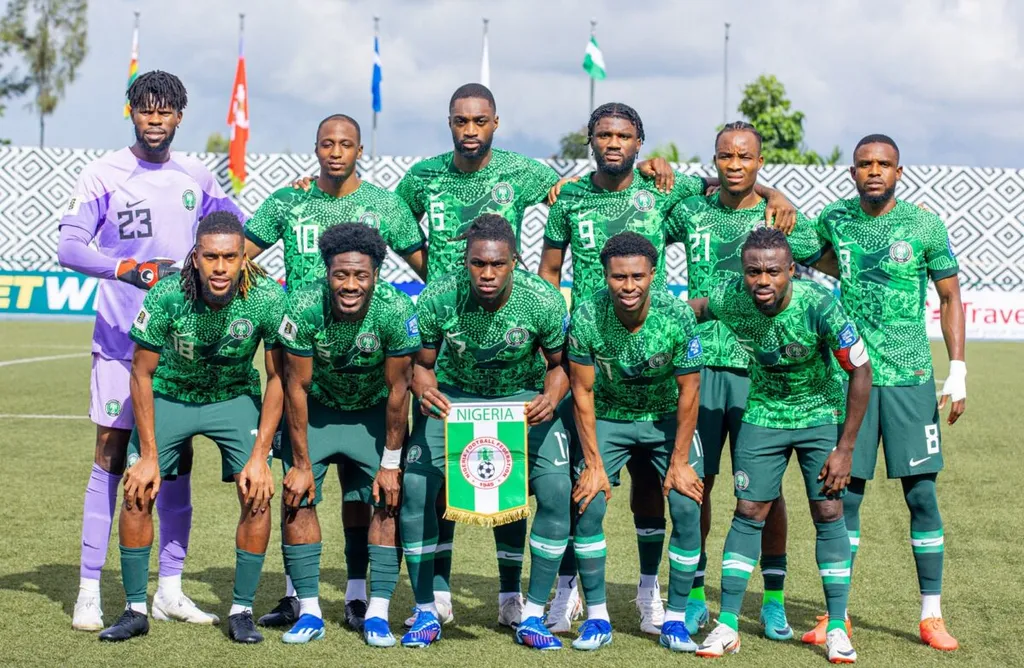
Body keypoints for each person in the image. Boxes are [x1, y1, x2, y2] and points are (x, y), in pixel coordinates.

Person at [539, 103, 798, 635]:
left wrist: (775, 194)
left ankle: (672, 592)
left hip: (692, 369)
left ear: (640, 141)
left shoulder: (666, 192)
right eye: (604, 135)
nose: (613, 143)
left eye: (624, 135)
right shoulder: (570, 198)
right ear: (590, 139)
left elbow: (729, 183)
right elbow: (549, 273)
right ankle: (571, 591)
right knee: (582, 486)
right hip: (596, 361)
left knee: (729, 487)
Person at [57, 70, 243, 631]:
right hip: (121, 343)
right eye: (145, 110)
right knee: (111, 455)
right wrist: (127, 268)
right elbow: (69, 246)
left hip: (182, 352)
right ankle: (89, 589)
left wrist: (302, 195)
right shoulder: (103, 174)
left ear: (179, 116)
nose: (155, 120)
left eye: (165, 111)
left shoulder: (197, 176)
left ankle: (171, 589)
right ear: (132, 113)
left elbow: (243, 232)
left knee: (175, 463)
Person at [245, 114, 425, 632]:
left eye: (346, 144)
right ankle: (296, 598)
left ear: (359, 150)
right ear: (316, 147)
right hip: (307, 346)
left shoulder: (386, 207)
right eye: (328, 143)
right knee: (298, 487)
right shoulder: (290, 200)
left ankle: (359, 597)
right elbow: (240, 258)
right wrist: (271, 303)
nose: (337, 151)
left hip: (367, 369)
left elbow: (429, 268)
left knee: (362, 497)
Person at [664, 121, 831, 639]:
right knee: (696, 485)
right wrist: (660, 169)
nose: (734, 165)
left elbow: (829, 257)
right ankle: (694, 595)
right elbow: (645, 208)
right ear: (714, 160)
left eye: (744, 157)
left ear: (760, 162)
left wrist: (776, 195)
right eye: (725, 156)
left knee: (766, 491)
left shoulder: (780, 216)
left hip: (762, 375)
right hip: (698, 366)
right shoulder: (691, 210)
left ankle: (774, 599)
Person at [802, 134, 965, 651]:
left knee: (921, 496)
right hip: (850, 379)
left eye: (884, 164)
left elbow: (949, 296)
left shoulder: (924, 225)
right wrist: (771, 194)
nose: (874, 171)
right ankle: (838, 618)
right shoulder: (835, 218)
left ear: (899, 171)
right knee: (842, 496)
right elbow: (814, 253)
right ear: (852, 171)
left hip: (910, 378)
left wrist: (958, 369)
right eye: (864, 164)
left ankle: (931, 614)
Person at [97, 212, 286, 643]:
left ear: (243, 258)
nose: (220, 267)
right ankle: (134, 609)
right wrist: (147, 456)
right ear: (196, 257)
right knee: (137, 489)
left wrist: (260, 456)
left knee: (257, 493)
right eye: (211, 257)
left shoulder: (267, 297)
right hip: (172, 393)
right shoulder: (168, 295)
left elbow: (278, 377)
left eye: (230, 257)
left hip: (233, 397)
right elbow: (141, 373)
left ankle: (241, 611)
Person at [687, 227, 871, 664]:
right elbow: (694, 309)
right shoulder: (730, 298)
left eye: (773, 271)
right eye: (753, 272)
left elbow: (861, 371)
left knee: (829, 512)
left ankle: (837, 627)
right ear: (743, 272)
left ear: (791, 270)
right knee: (749, 510)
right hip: (763, 415)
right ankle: (727, 625)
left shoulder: (819, 304)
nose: (763, 280)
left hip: (818, 416)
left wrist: (845, 448)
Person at [400, 215, 573, 649]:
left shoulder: (542, 299)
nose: (488, 273)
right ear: (466, 262)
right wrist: (426, 391)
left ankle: (528, 612)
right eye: (478, 264)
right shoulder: (439, 296)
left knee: (555, 490)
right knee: (417, 488)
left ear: (514, 260)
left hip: (522, 401)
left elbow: (561, 366)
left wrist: (550, 398)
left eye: (497, 264)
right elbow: (421, 365)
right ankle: (427, 608)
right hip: (455, 399)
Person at [274, 223, 419, 647]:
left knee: (387, 501)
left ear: (376, 274)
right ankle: (310, 611)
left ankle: (376, 612)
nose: (350, 285)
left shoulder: (395, 310)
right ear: (327, 272)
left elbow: (399, 392)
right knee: (297, 496)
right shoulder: (304, 305)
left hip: (373, 413)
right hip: (317, 411)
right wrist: (301, 464)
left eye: (360, 275)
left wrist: (390, 465)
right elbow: (295, 387)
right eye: (340, 275)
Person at [567, 231, 705, 653]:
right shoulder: (587, 315)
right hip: (609, 416)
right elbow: (582, 391)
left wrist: (679, 462)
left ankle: (674, 620)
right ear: (605, 276)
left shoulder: (677, 315)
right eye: (619, 277)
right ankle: (597, 618)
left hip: (665, 419)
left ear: (653, 274)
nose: (628, 286)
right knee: (588, 503)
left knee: (687, 505)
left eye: (637, 277)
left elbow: (689, 390)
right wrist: (594, 465)